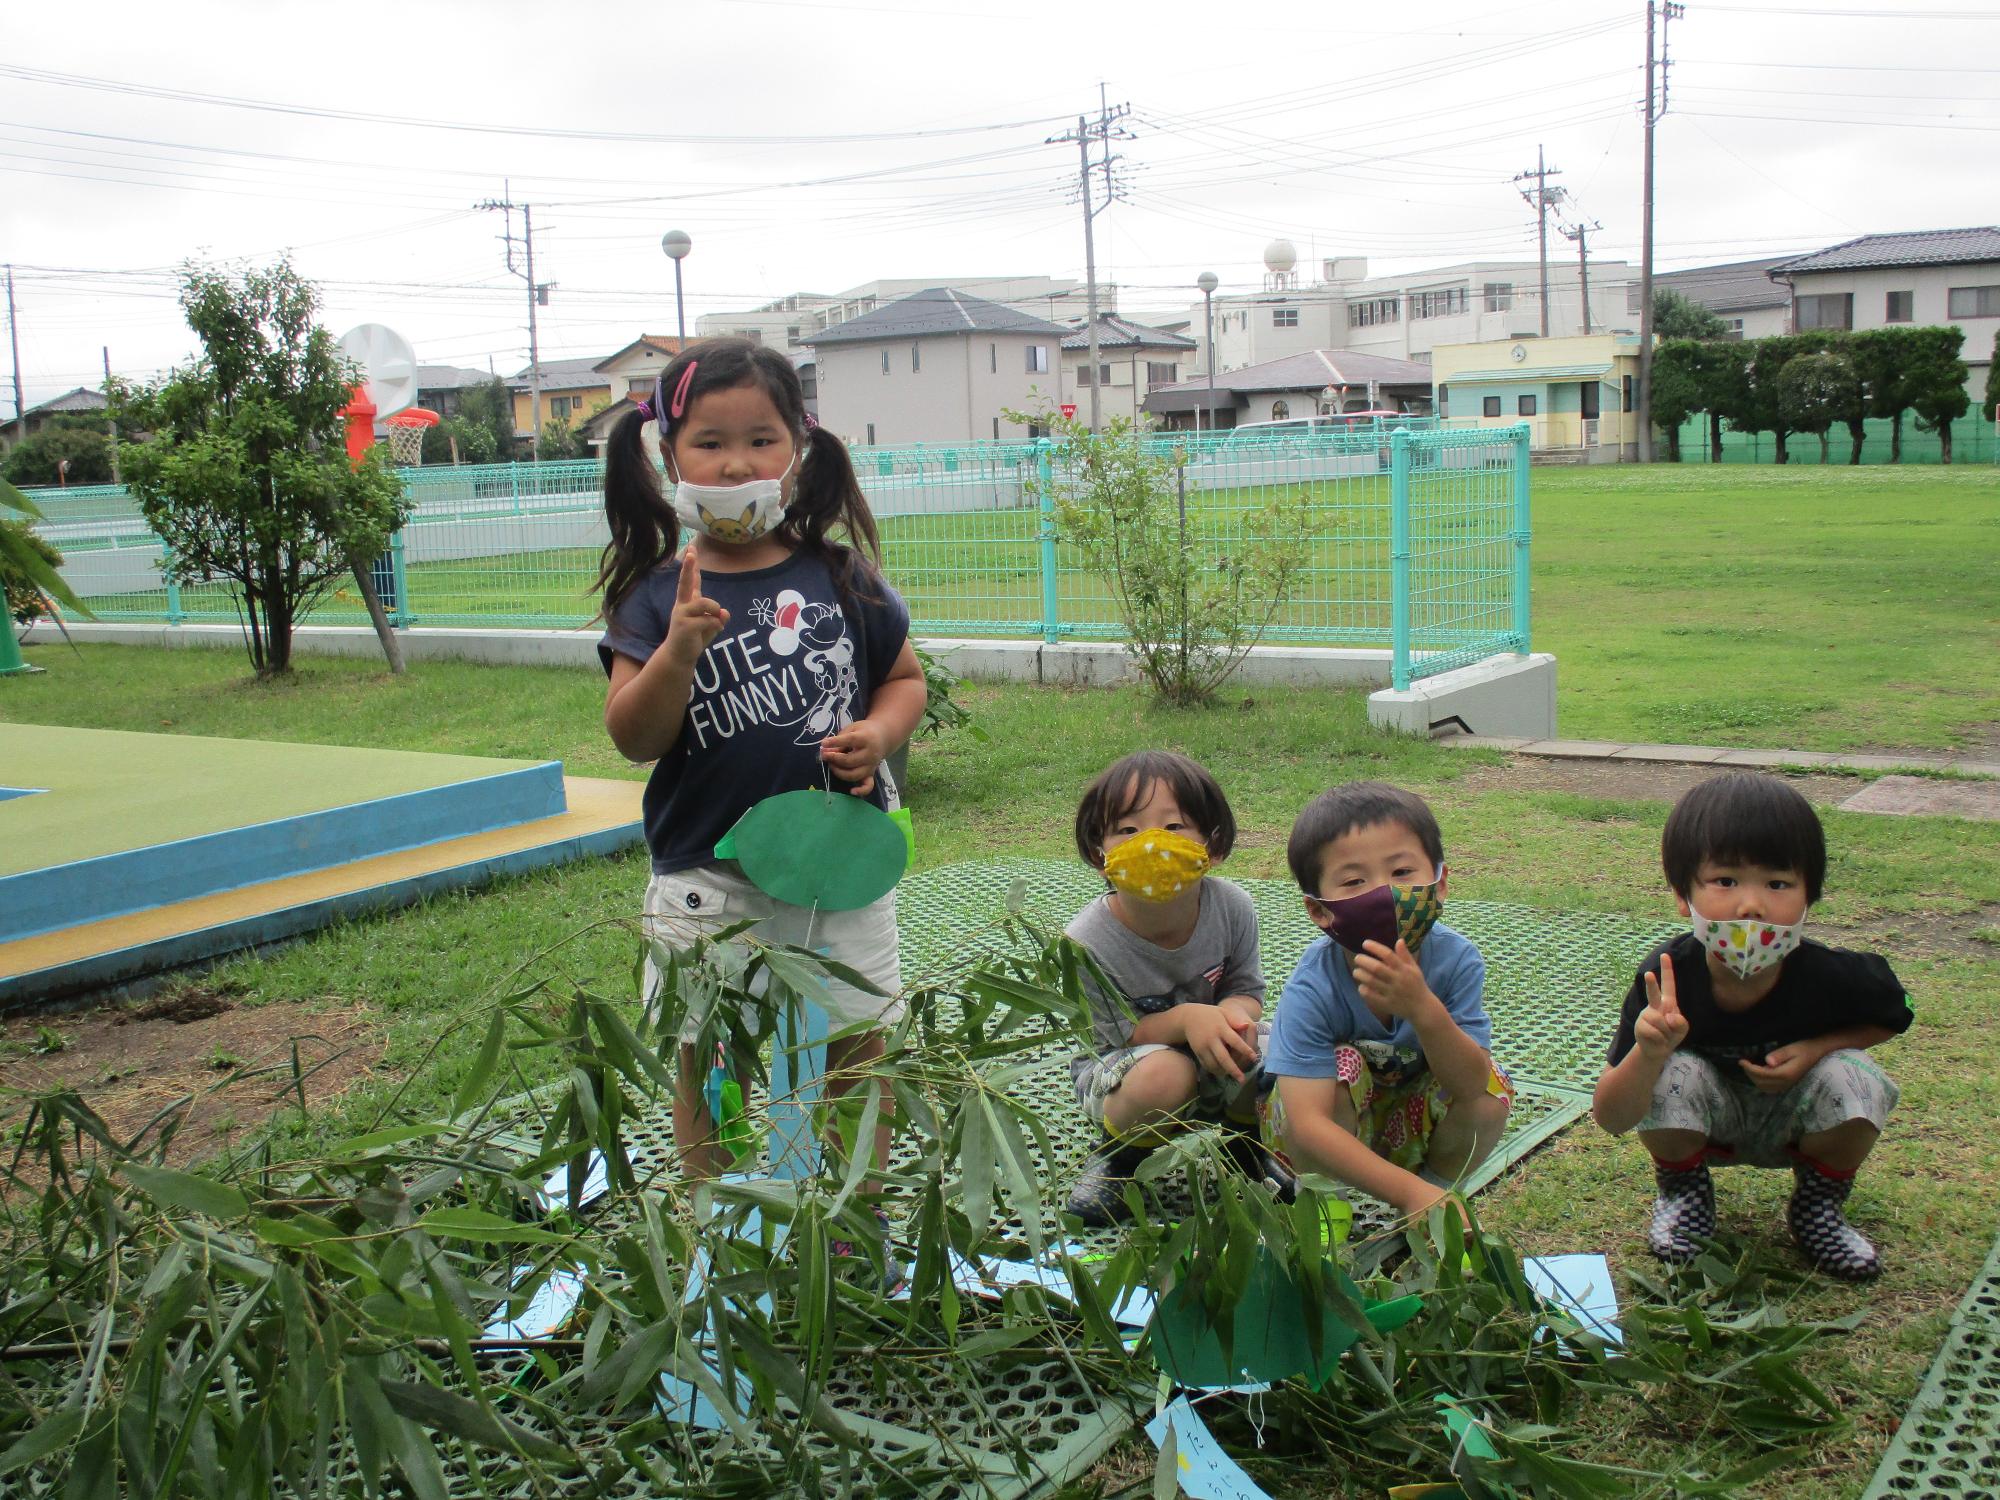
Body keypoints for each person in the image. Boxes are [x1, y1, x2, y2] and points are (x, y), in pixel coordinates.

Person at [595, 338, 927, 1200]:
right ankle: (721, 1213)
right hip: (710, 880)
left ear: (798, 451)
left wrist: (881, 735)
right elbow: (634, 736)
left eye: (761, 439)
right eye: (709, 443)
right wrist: (676, 653)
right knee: (713, 1057)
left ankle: (858, 1217)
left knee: (855, 1043)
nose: (736, 462)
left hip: (840, 867)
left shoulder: (841, 576)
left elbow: (903, 679)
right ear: (669, 457)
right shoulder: (656, 594)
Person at [1592, 773, 1911, 1280]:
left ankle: (1818, 1208)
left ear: (1810, 895)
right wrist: (1648, 1052)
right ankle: (1684, 1194)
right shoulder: (1668, 978)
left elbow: (1895, 1014)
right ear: (1683, 895)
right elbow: (1610, 1116)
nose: (1751, 905)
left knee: (1856, 1075)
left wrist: (1817, 1049)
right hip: (1705, 1124)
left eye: (1778, 883)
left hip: (1797, 1120)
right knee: (1670, 1069)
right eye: (1725, 881)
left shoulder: (1831, 974)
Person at [1263, 782, 1513, 1221]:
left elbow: (1470, 1085)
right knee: (1344, 1064)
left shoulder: (1456, 962)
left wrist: (1423, 1008)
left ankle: (1436, 1197)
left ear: (1440, 884)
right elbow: (1307, 1124)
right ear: (1319, 910)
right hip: (1319, 1140)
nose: (1385, 894)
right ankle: (1324, 1207)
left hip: (1406, 1125)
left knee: (1492, 1085)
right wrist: (1405, 1192)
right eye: (1355, 881)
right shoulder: (1313, 986)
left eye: (1401, 873)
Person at [1063, 750, 1293, 1225]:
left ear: (1213, 845)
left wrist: (1231, 1018)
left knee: (1287, 1057)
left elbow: (1246, 989)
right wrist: (1190, 1019)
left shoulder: (1232, 907)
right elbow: (1117, 1034)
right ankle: (1119, 1157)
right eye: (1128, 830)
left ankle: (1244, 1143)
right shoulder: (1085, 940)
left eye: (1173, 828)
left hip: (1216, 1047)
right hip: (1125, 1070)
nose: (1151, 844)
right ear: (1097, 852)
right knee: (1164, 1076)